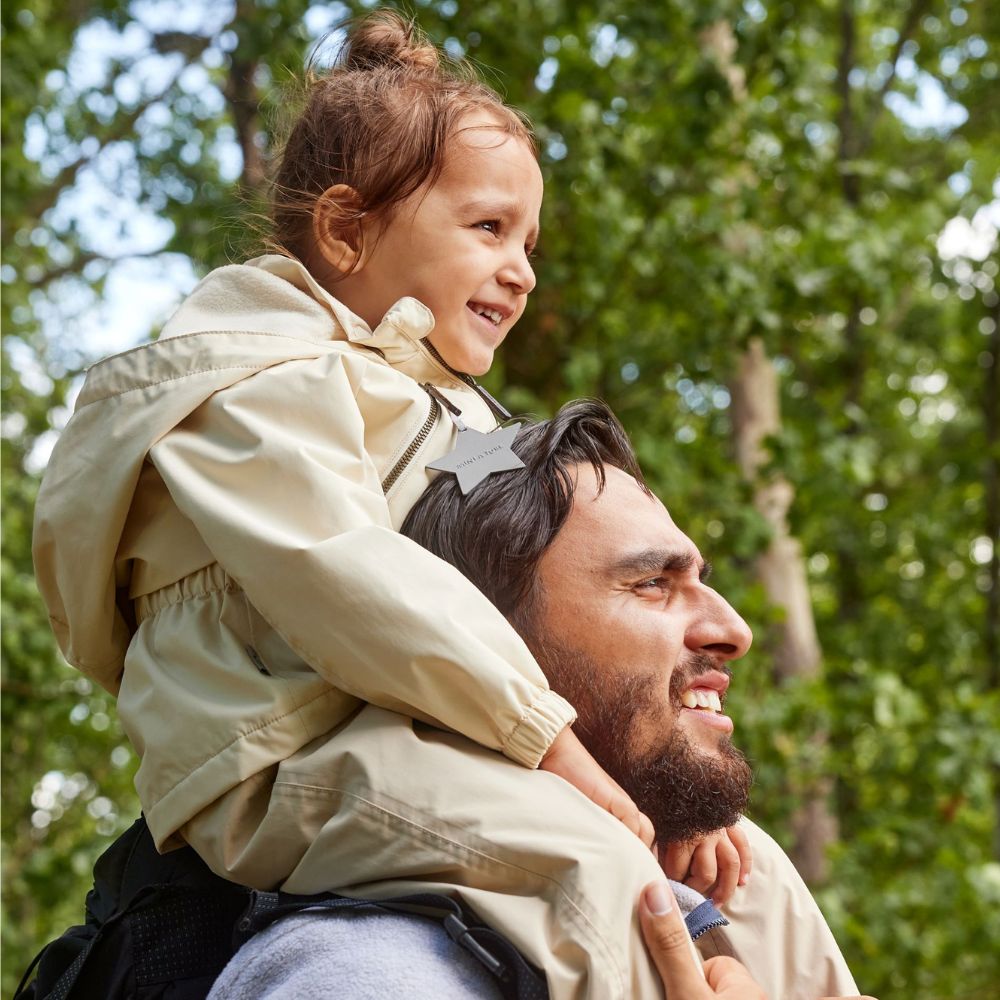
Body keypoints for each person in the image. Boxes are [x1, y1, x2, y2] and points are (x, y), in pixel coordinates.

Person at [29, 6, 744, 991]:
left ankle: (740, 953)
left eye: (529, 242)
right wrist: (552, 742)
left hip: (412, 730)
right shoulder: (253, 389)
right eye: (489, 229)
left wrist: (666, 765)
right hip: (281, 754)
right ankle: (689, 960)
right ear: (346, 230)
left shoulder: (445, 404)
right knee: (589, 859)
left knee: (732, 859)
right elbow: (356, 583)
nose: (522, 271)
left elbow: (539, 585)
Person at [203, 401, 866, 1000]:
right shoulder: (364, 973)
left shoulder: (744, 891)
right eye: (652, 583)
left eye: (700, 579)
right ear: (484, 646)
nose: (734, 630)